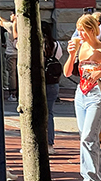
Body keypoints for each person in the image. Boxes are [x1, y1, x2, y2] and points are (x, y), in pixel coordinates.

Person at [63, 15, 101, 181]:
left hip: (98, 95)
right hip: (81, 94)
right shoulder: (80, 47)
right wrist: (71, 54)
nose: (80, 33)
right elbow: (67, 73)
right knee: (89, 139)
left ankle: (89, 177)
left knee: (88, 138)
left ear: (92, 29)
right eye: (79, 29)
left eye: (83, 29)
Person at [42, 21, 62, 154]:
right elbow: (58, 57)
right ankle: (50, 144)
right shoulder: (56, 44)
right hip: (53, 82)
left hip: (39, 82)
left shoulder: (34, 44)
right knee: (49, 113)